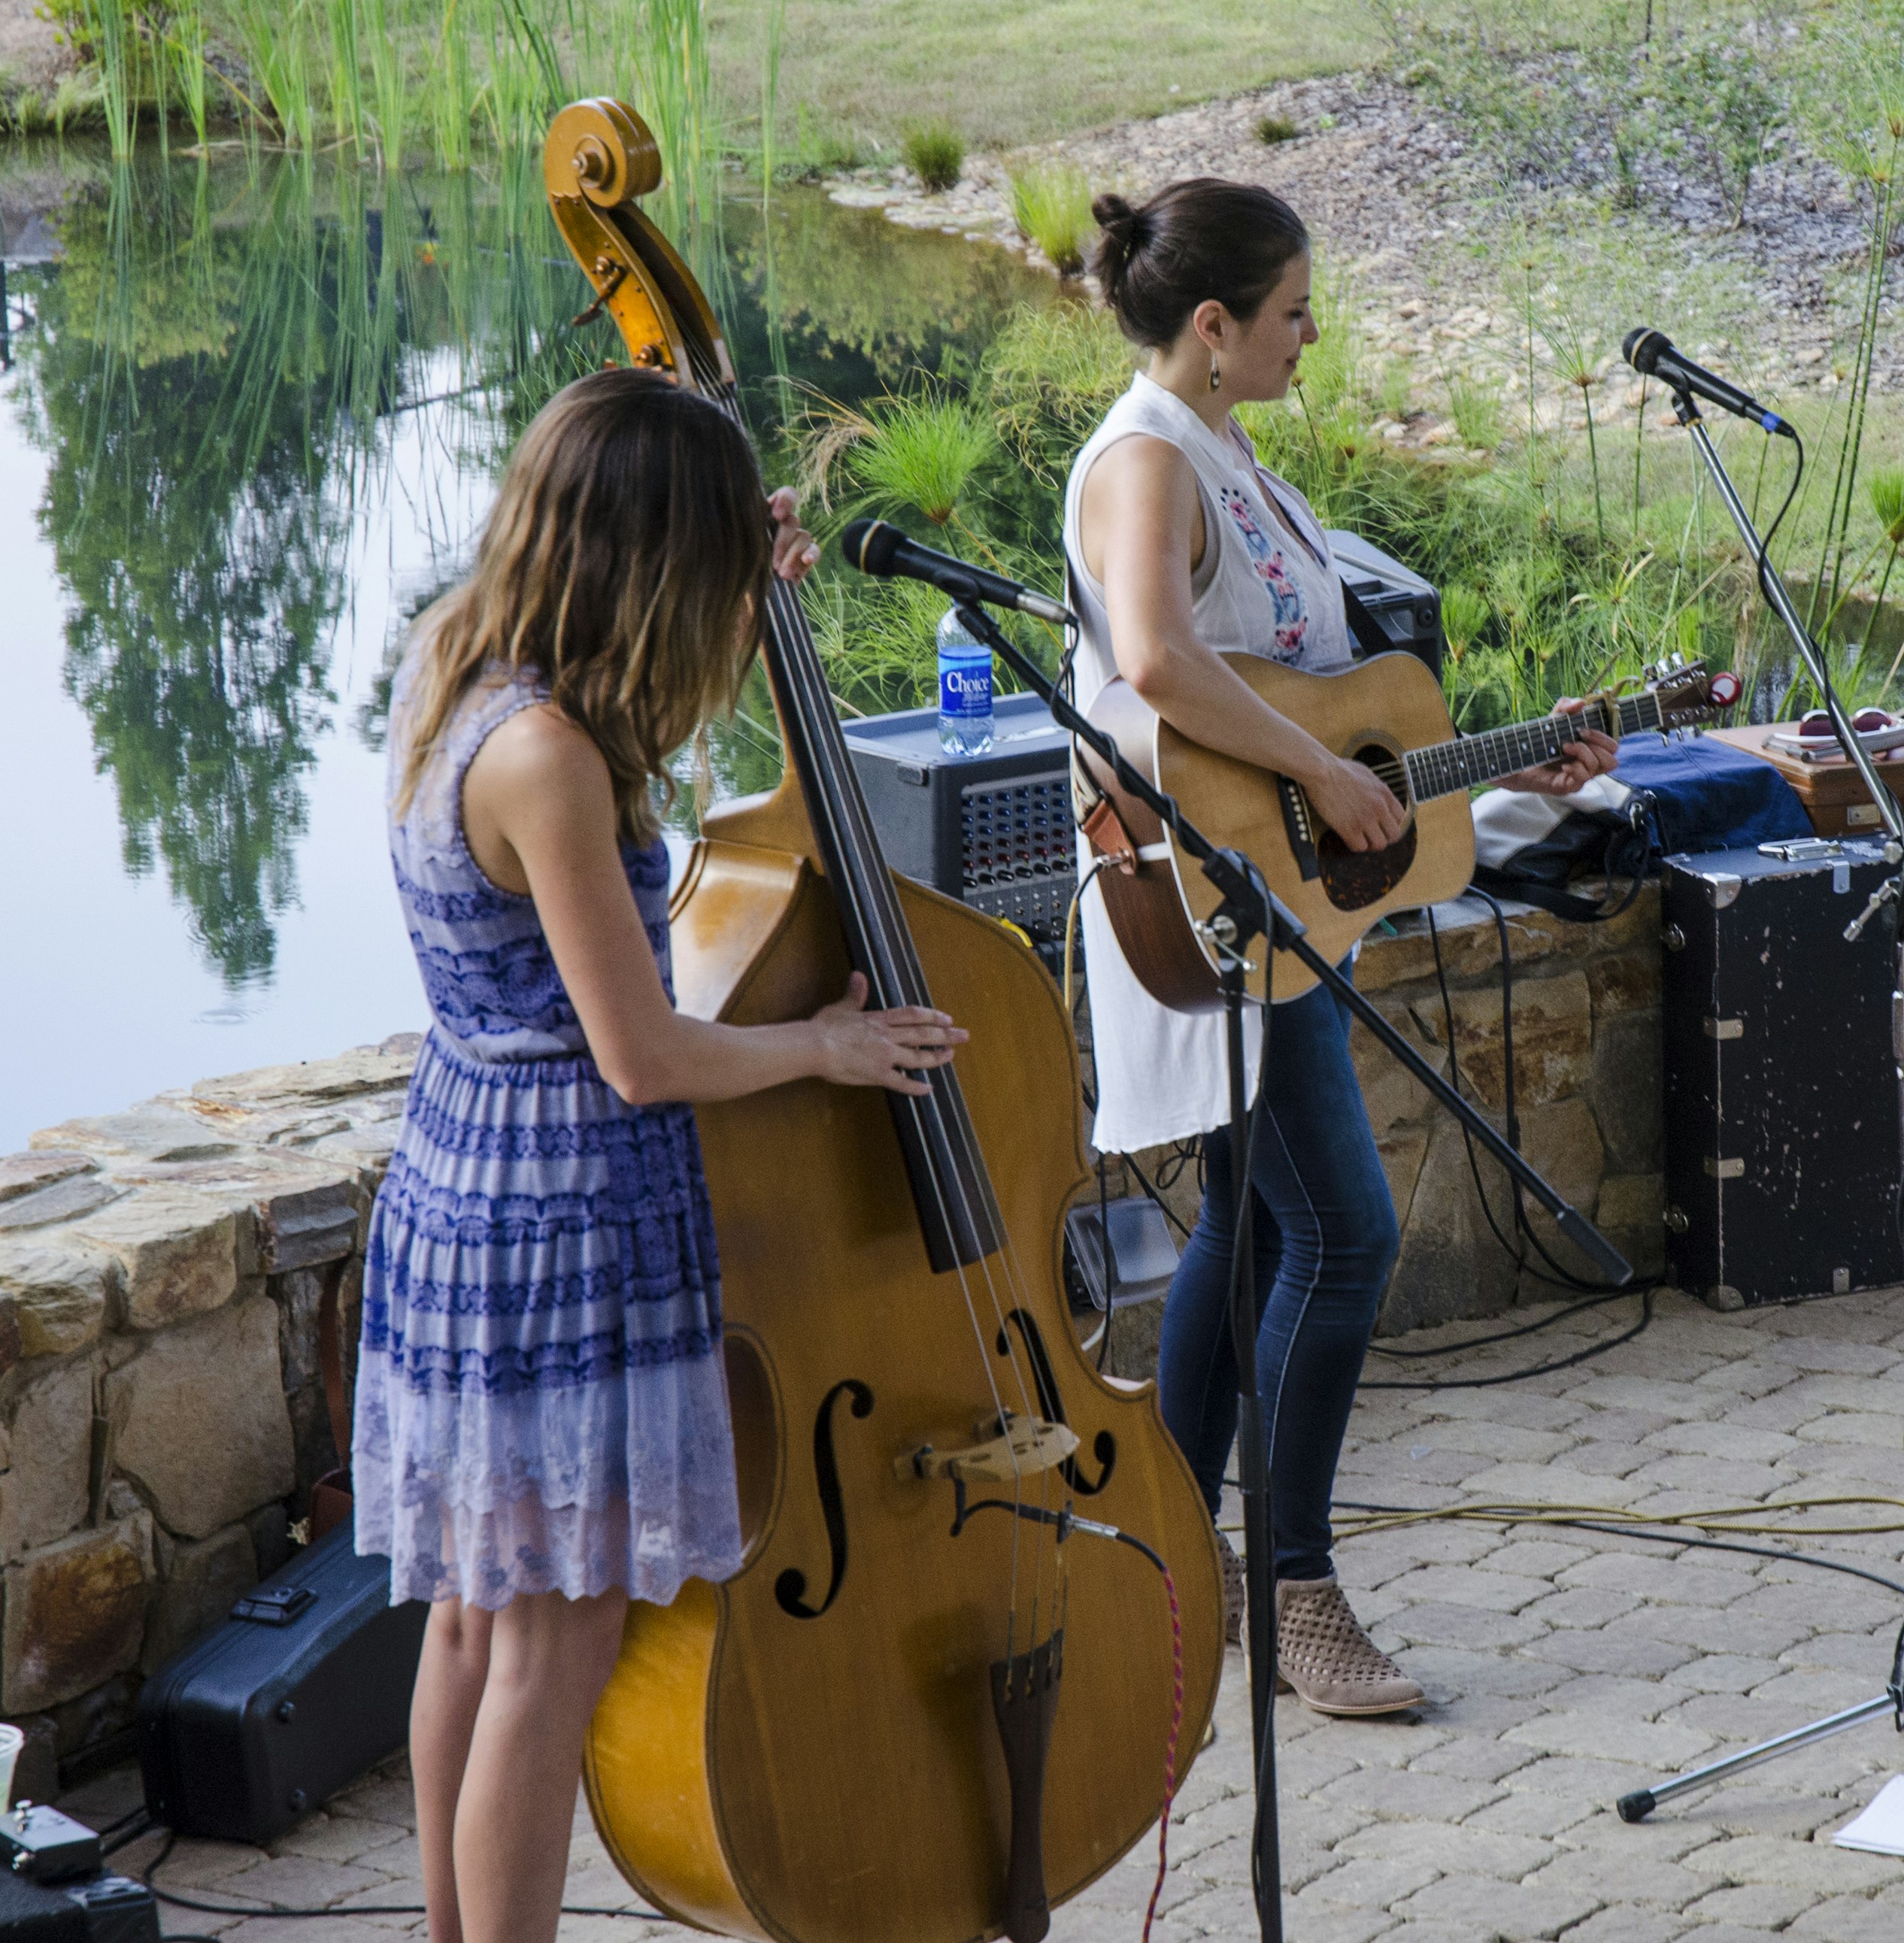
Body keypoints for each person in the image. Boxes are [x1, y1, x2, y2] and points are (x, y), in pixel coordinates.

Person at [358, 368, 962, 1943]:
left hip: (462, 1169)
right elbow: (644, 1055)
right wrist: (828, 1046)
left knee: (478, 1627)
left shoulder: (459, 659)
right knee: (551, 1652)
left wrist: (746, 598)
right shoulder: (549, 759)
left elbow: (653, 754)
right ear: (647, 558)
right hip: (563, 1206)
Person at [1065, 179, 1614, 1714]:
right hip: (1201, 893)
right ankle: (1292, 1585)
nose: (1315, 334)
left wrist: (1501, 762)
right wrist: (1317, 774)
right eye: (1296, 309)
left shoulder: (1224, 448)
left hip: (1274, 893)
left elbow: (1320, 706)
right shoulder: (1143, 460)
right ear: (1217, 324)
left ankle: (1166, 1559)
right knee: (1349, 1230)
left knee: (1251, 1223)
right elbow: (1161, 662)